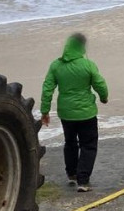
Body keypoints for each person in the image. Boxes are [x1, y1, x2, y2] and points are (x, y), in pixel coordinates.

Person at [41, 33, 108, 192]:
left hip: (66, 114)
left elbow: (47, 89)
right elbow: (100, 84)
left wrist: (45, 111)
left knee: (70, 143)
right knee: (88, 145)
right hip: (87, 114)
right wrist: (104, 97)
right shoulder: (88, 65)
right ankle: (83, 181)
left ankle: (71, 175)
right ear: (82, 47)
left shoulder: (56, 66)